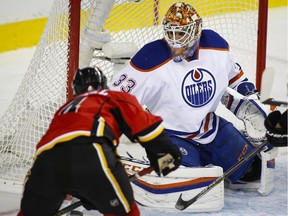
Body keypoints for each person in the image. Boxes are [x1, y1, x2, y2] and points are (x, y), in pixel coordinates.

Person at [109, 2, 277, 195]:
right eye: (171, 33)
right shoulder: (150, 57)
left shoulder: (216, 46)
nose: (175, 40)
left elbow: (236, 78)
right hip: (168, 136)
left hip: (210, 129)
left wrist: (254, 102)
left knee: (253, 172)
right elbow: (116, 100)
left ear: (196, 30)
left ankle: (208, 159)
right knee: (188, 186)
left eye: (181, 33)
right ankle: (146, 160)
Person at [17, 67, 181, 216]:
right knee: (126, 212)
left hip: (46, 162)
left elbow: (63, 152)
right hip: (91, 151)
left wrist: (79, 189)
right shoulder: (114, 97)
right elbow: (147, 130)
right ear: (103, 85)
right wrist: (168, 155)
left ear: (76, 90)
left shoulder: (64, 108)